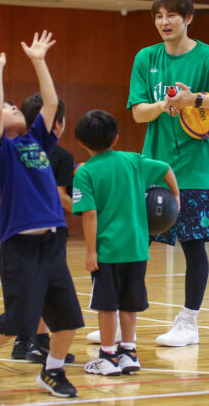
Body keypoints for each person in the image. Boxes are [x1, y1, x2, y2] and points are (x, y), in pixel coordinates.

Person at [0, 31, 83, 401]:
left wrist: (39, 61)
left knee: (68, 319)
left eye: (14, 105)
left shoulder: (37, 140)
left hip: (53, 241)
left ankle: (52, 372)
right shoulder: (1, 152)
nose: (12, 108)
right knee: (17, 321)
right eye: (9, 107)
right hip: (21, 246)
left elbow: (51, 103)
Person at [119, 0, 209, 348]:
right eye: (158, 16)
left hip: (196, 171)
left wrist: (194, 99)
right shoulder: (146, 58)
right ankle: (123, 317)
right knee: (135, 243)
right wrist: (164, 104)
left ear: (188, 19)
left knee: (193, 246)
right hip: (153, 170)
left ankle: (188, 322)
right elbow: (138, 113)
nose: (164, 22)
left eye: (171, 15)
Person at [73, 109, 180, 375]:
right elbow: (166, 168)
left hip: (108, 253)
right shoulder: (133, 160)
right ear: (116, 138)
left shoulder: (84, 173)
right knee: (130, 303)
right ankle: (129, 353)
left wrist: (90, 252)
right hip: (137, 249)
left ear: (81, 143)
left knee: (107, 305)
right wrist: (176, 198)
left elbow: (89, 215)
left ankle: (108, 356)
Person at [11, 94, 75, 364]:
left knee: (32, 285)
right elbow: (60, 196)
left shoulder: (15, 148)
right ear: (58, 123)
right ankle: (38, 343)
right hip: (48, 228)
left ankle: (23, 341)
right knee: (47, 288)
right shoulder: (60, 155)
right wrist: (89, 210)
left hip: (17, 227)